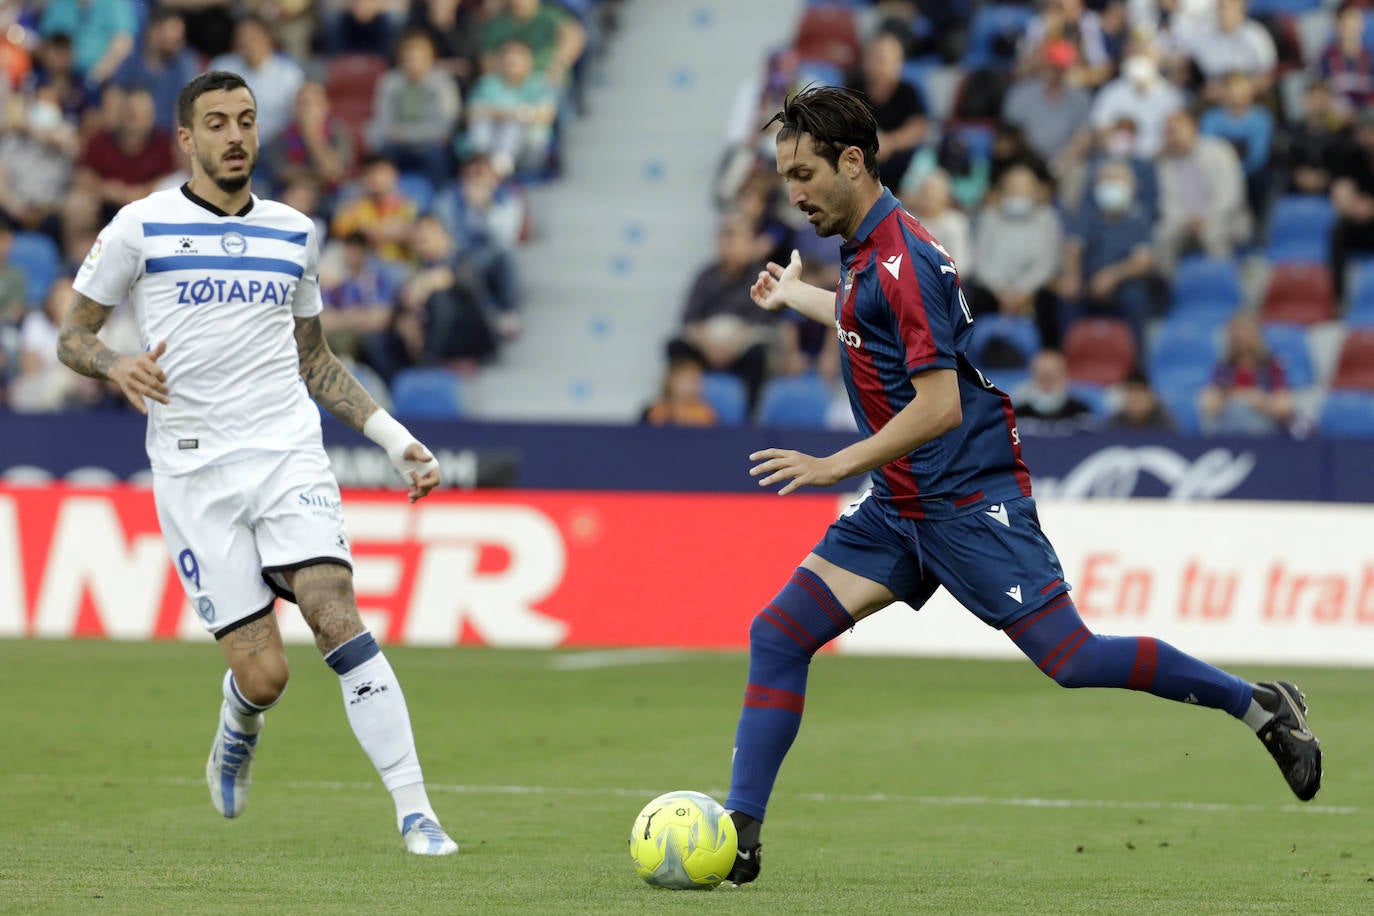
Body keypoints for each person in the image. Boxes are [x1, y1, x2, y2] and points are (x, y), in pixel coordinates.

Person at [720, 86, 1321, 887]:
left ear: (853, 161)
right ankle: (741, 834)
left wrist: (838, 464)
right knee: (779, 633)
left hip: (967, 500)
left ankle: (1258, 705)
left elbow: (935, 406)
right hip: (902, 507)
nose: (792, 194)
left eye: (802, 173)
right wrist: (801, 297)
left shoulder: (908, 257)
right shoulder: (866, 251)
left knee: (1072, 658)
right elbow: (875, 325)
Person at [55, 71, 459, 857]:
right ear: (187, 138)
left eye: (245, 120)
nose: (235, 135)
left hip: (287, 456)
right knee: (266, 674)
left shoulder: (294, 231)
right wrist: (116, 366)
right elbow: (75, 335)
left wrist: (392, 437)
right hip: (194, 474)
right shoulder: (140, 227)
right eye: (216, 123)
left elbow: (317, 361)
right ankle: (238, 722)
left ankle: (417, 812)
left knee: (334, 613)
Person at [1199, 315, 1294, 436]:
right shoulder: (1224, 367)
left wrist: (1263, 402)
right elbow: (1208, 404)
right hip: (1228, 429)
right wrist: (1229, 397)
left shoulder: (1271, 366)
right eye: (1236, 334)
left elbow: (1284, 407)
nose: (1240, 337)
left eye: (1245, 332)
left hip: (1262, 430)